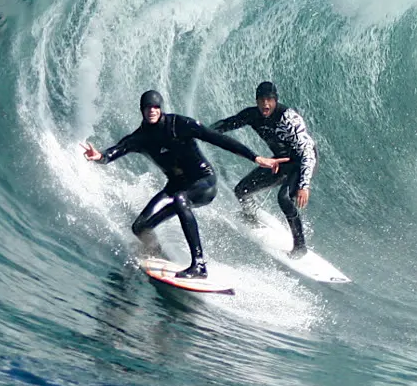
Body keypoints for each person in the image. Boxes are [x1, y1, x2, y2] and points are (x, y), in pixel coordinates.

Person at [84, 89, 286, 279]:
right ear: (142, 110)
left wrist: (255, 157)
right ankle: (156, 252)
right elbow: (118, 150)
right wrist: (100, 156)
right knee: (140, 227)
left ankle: (199, 265)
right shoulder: (141, 138)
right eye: (148, 108)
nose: (152, 111)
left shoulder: (179, 125)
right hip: (176, 185)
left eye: (156, 107)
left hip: (203, 182)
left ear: (160, 108)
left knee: (181, 200)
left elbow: (218, 139)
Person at [212, 81, 318, 257]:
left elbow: (307, 152)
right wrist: (199, 132)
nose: (265, 104)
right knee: (242, 190)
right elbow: (227, 124)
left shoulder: (288, 119)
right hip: (281, 162)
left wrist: (303, 186)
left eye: (269, 100)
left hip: (301, 161)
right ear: (256, 100)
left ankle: (300, 246)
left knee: (284, 198)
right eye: (261, 100)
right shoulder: (253, 115)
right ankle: (251, 216)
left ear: (275, 100)